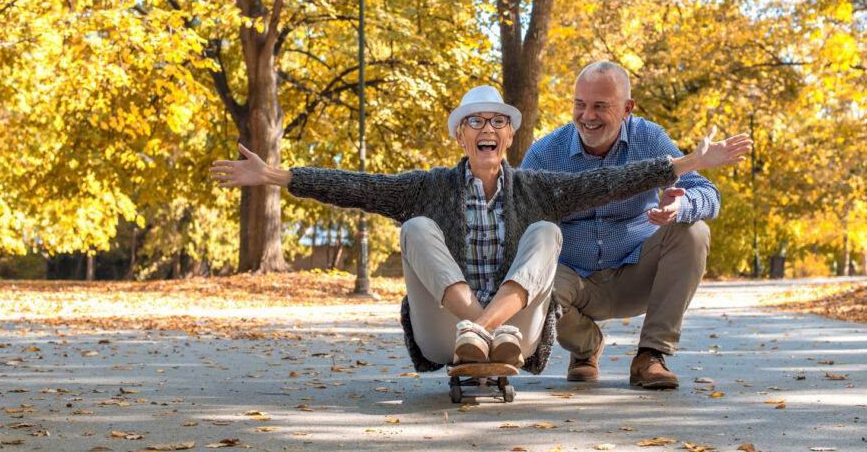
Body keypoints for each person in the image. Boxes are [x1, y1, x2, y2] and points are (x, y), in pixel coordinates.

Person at [211, 85, 750, 375]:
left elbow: (616, 182)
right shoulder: (427, 187)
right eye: (475, 122)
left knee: (545, 232)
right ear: (460, 137)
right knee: (418, 227)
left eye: (497, 122)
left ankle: (492, 329)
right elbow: (356, 186)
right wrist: (277, 176)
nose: (486, 129)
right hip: (446, 331)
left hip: (519, 334)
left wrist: (681, 164)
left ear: (509, 137)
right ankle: (478, 327)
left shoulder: (539, 187)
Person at [521, 61, 732, 389]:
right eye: (580, 104)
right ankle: (586, 347)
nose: (587, 116)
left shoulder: (648, 139)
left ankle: (651, 355)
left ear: (627, 109)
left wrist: (681, 206)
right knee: (527, 282)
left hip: (638, 273)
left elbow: (708, 194)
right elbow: (519, 225)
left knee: (695, 230)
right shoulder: (545, 154)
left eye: (600, 106)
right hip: (573, 280)